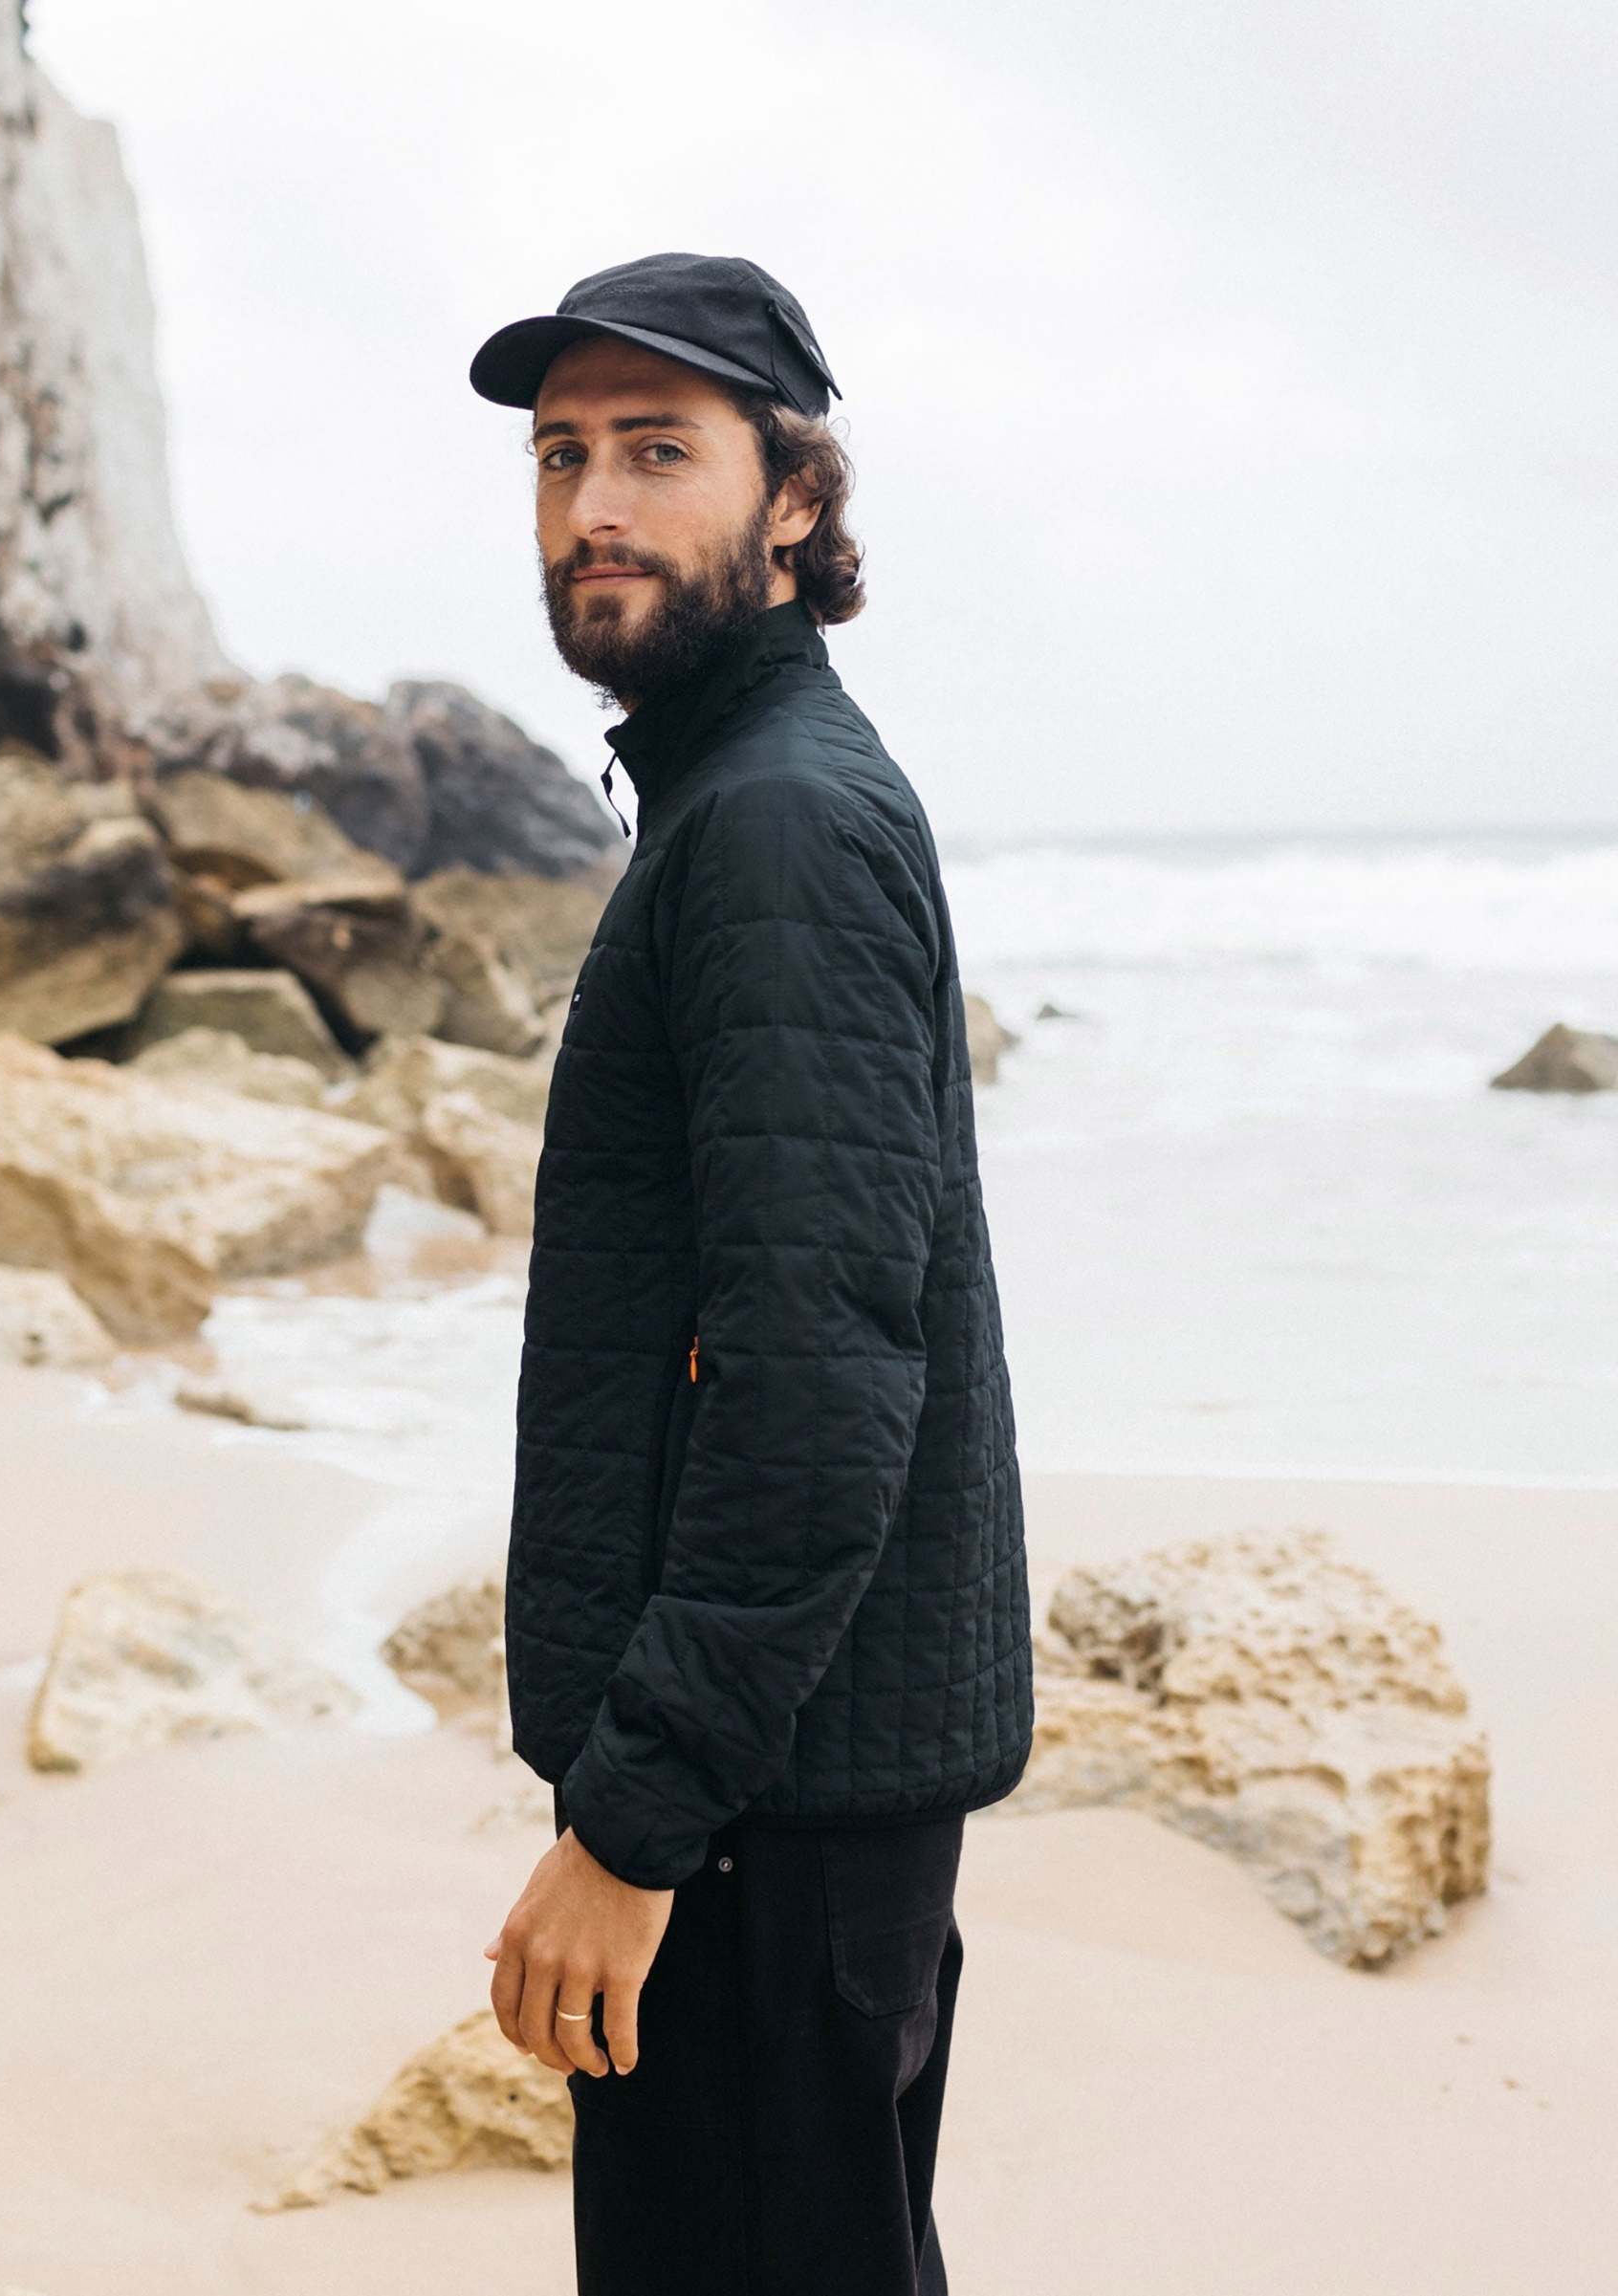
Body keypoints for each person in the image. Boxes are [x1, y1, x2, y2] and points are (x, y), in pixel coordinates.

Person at [469, 251, 1034, 2295]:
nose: (593, 507)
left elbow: (818, 1382)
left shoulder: (778, 824)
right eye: (562, 457)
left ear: (795, 495)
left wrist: (637, 1827)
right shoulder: (730, 793)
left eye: (657, 450)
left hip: (761, 1821)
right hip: (779, 1791)